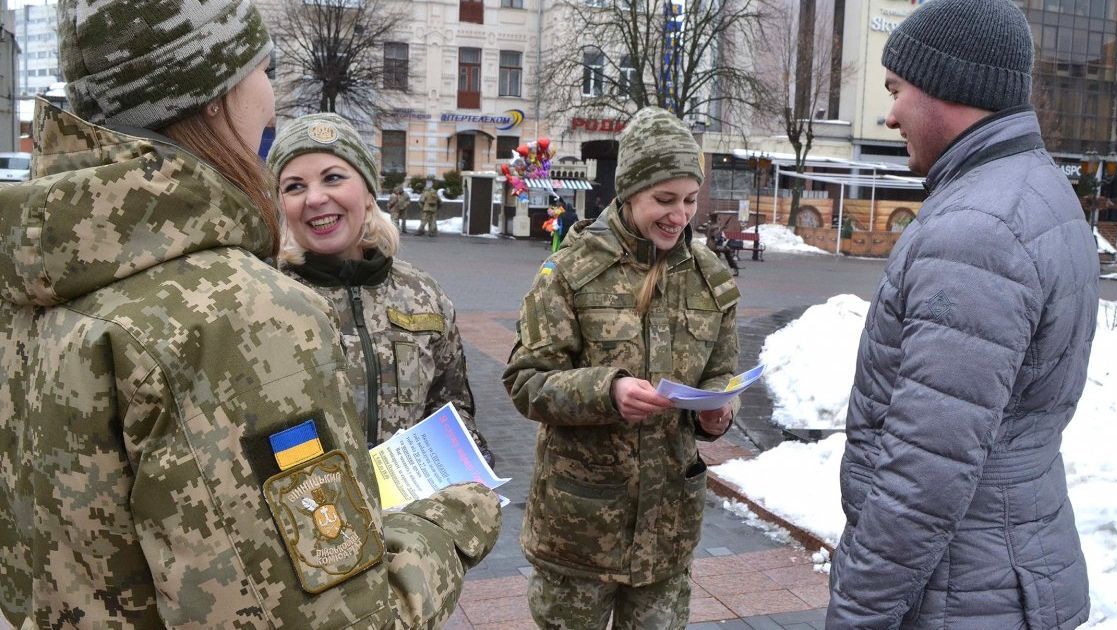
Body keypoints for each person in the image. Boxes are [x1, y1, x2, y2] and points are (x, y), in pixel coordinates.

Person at [0, 1, 500, 627]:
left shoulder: (38, 279)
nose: (270, 97)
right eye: (266, 70)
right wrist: (451, 522)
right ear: (217, 92)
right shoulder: (241, 313)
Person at [828, 1, 1096, 628]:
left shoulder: (979, 231)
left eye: (897, 90)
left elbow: (925, 471)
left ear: (946, 88)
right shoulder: (1037, 190)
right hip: (1004, 567)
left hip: (962, 589)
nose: (889, 114)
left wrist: (857, 614)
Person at [504, 107, 741, 629]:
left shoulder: (711, 279)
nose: (679, 216)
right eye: (664, 200)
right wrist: (606, 392)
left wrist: (718, 413)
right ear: (629, 191)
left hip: (667, 532)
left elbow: (722, 375)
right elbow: (526, 382)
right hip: (580, 533)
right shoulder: (571, 270)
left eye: (689, 201)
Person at [267, 112, 495, 465]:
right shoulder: (265, 299)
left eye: (333, 178)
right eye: (294, 186)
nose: (314, 198)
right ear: (281, 204)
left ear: (369, 193)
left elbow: (452, 410)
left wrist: (468, 461)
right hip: (316, 513)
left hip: (414, 513)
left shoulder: (423, 296)